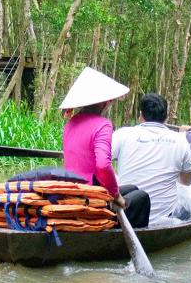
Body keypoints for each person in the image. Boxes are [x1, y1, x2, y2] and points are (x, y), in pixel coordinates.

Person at [60, 67, 151, 228]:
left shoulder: (70, 123)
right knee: (142, 197)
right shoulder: (103, 125)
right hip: (90, 197)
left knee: (133, 188)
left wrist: (114, 192)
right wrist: (116, 196)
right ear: (103, 102)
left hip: (73, 191)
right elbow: (102, 165)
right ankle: (119, 236)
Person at [111, 93, 191, 225]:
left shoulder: (122, 134)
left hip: (129, 212)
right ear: (166, 117)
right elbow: (186, 182)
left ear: (140, 115)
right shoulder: (181, 140)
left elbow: (101, 163)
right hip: (164, 217)